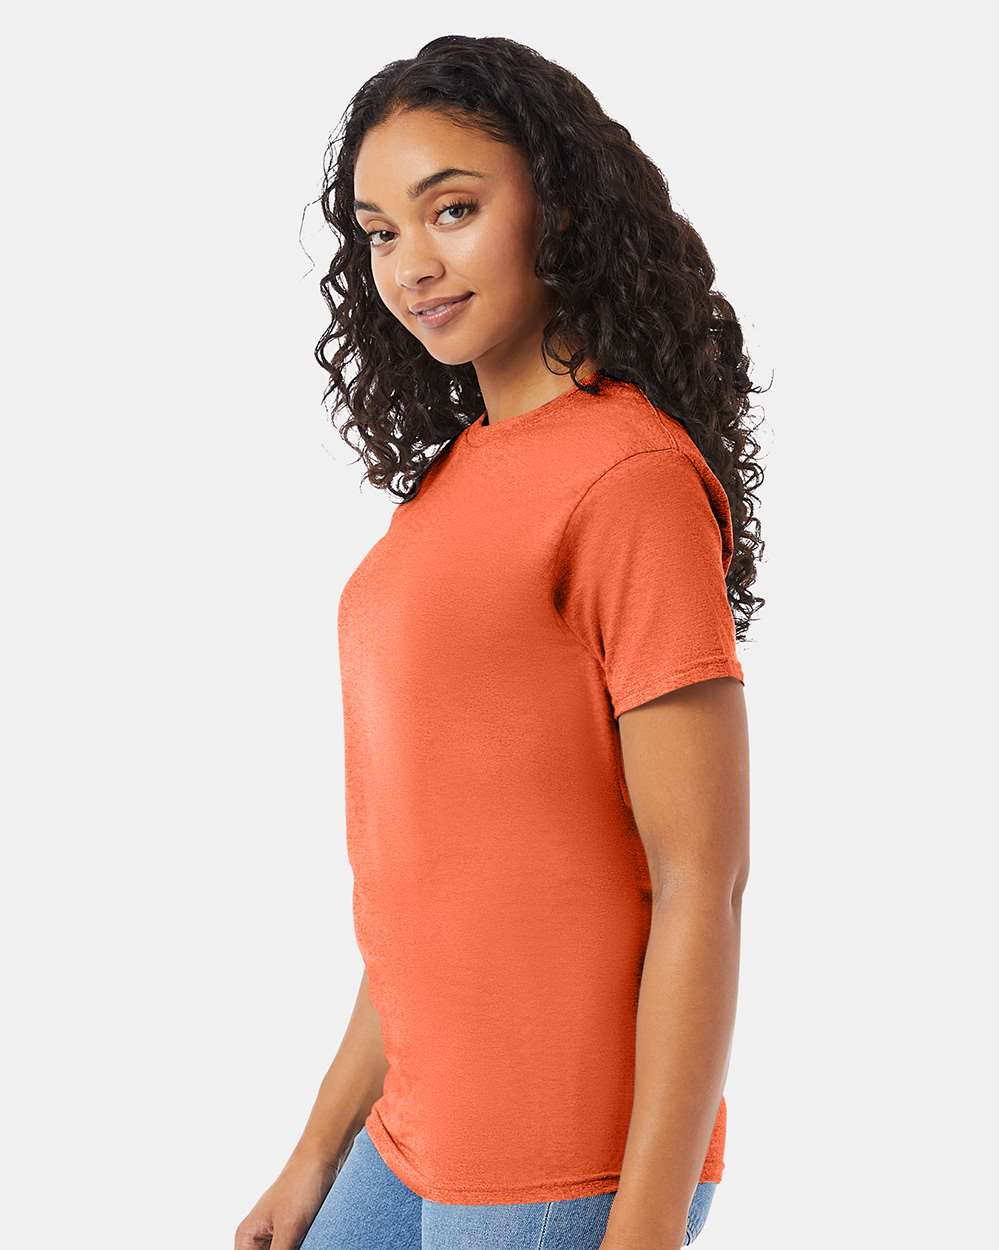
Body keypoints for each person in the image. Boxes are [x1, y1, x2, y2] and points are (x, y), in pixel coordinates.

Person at [235, 33, 765, 1250]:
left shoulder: (628, 476)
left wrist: (646, 1221)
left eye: (454, 209)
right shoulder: (456, 481)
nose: (411, 264)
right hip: (411, 1132)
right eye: (379, 232)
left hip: (561, 1157)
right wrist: (315, 1150)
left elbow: (703, 878)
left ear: (559, 207)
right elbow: (437, 881)